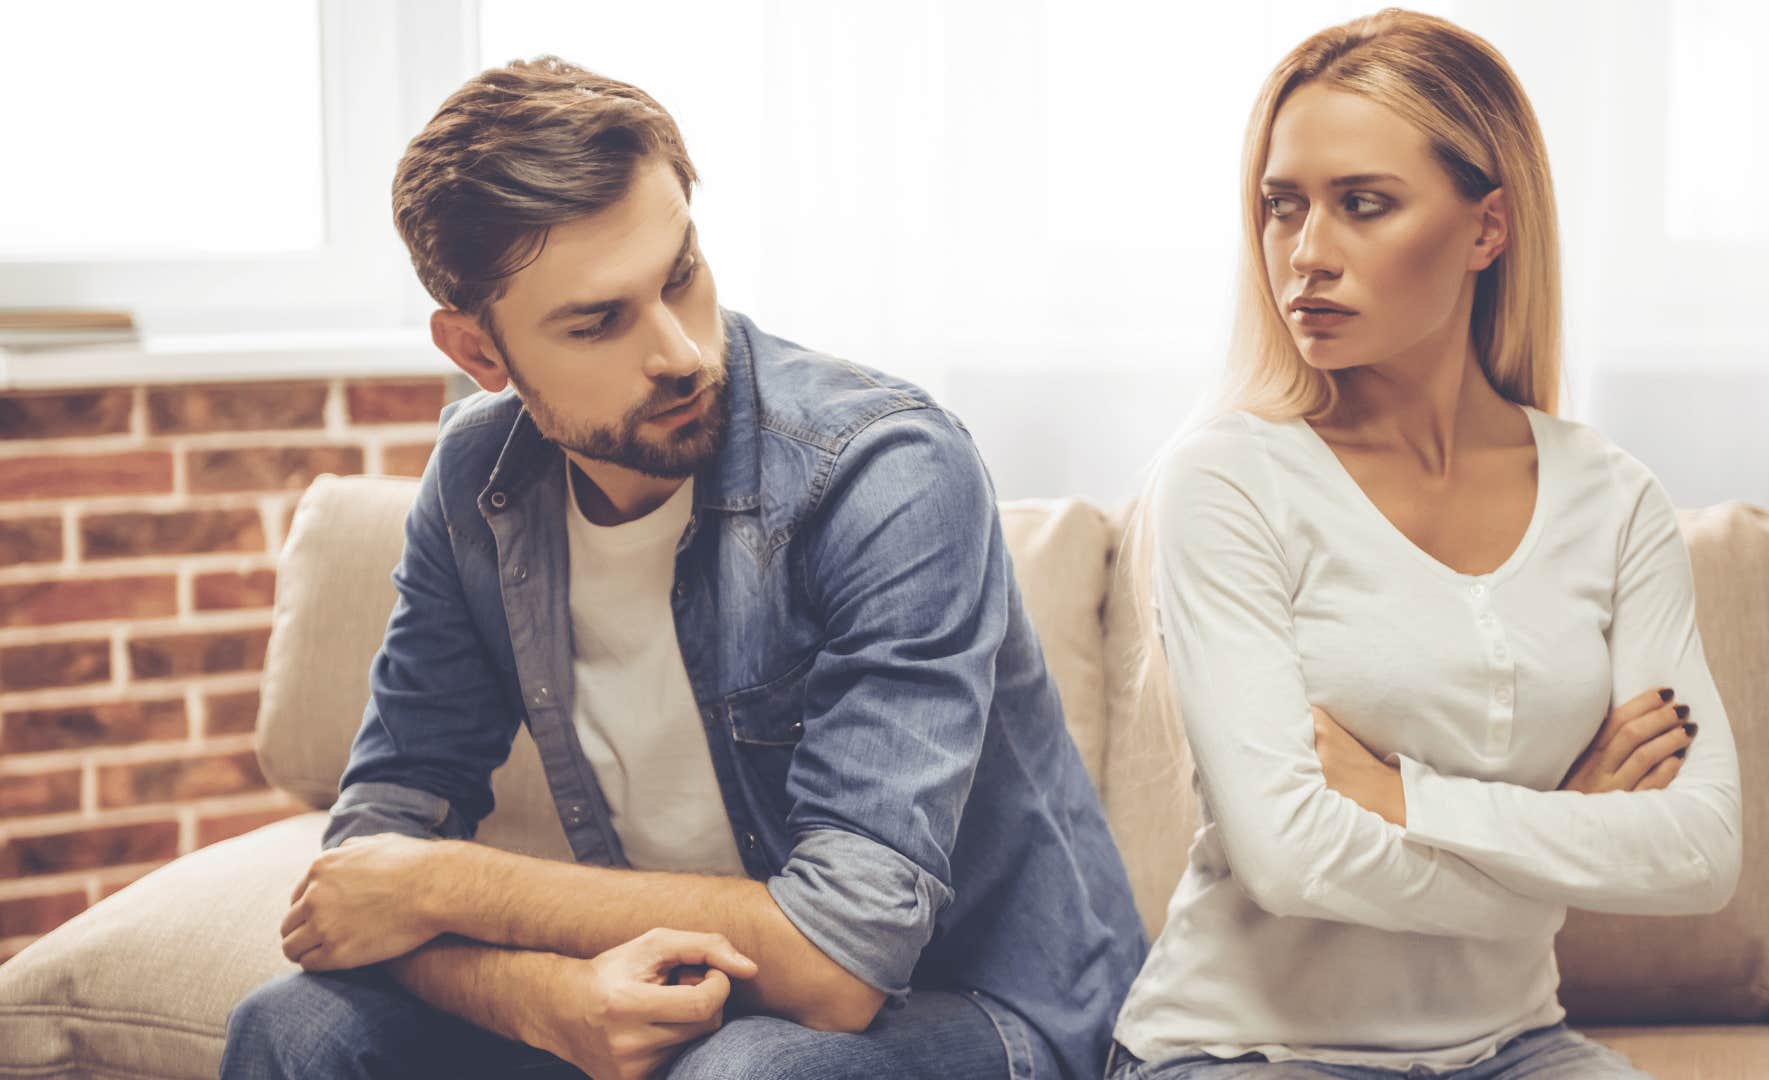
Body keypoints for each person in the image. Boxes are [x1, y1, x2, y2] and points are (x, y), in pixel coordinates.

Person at [221, 55, 1146, 1080]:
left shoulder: (886, 472)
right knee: (293, 1030)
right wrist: (547, 1000)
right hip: (681, 995)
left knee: (750, 1074)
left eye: (681, 275)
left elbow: (844, 964)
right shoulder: (478, 485)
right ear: (480, 354)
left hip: (981, 1005)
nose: (679, 353)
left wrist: (445, 889)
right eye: (597, 320)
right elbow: (366, 866)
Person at [1106, 9, 1741, 1078]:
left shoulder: (1614, 500)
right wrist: (1570, 822)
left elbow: (1701, 851)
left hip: (1516, 1049)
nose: (1306, 255)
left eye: (1363, 206)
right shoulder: (1227, 481)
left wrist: (1406, 798)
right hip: (1242, 1051)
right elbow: (1292, 860)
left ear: (1487, 229)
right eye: (1281, 208)